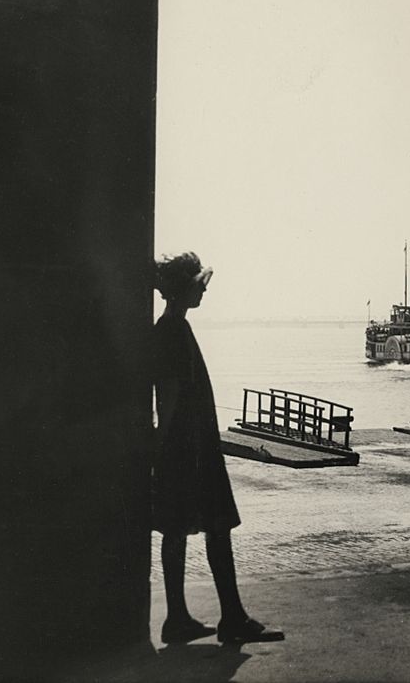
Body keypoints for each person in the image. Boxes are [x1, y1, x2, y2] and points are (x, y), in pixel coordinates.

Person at [152, 251, 284, 646]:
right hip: (191, 446)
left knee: (176, 530)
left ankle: (178, 619)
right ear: (186, 289)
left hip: (183, 445)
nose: (204, 293)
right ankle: (232, 618)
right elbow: (170, 394)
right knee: (217, 526)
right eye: (199, 287)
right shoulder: (174, 331)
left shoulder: (169, 327)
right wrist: (162, 446)